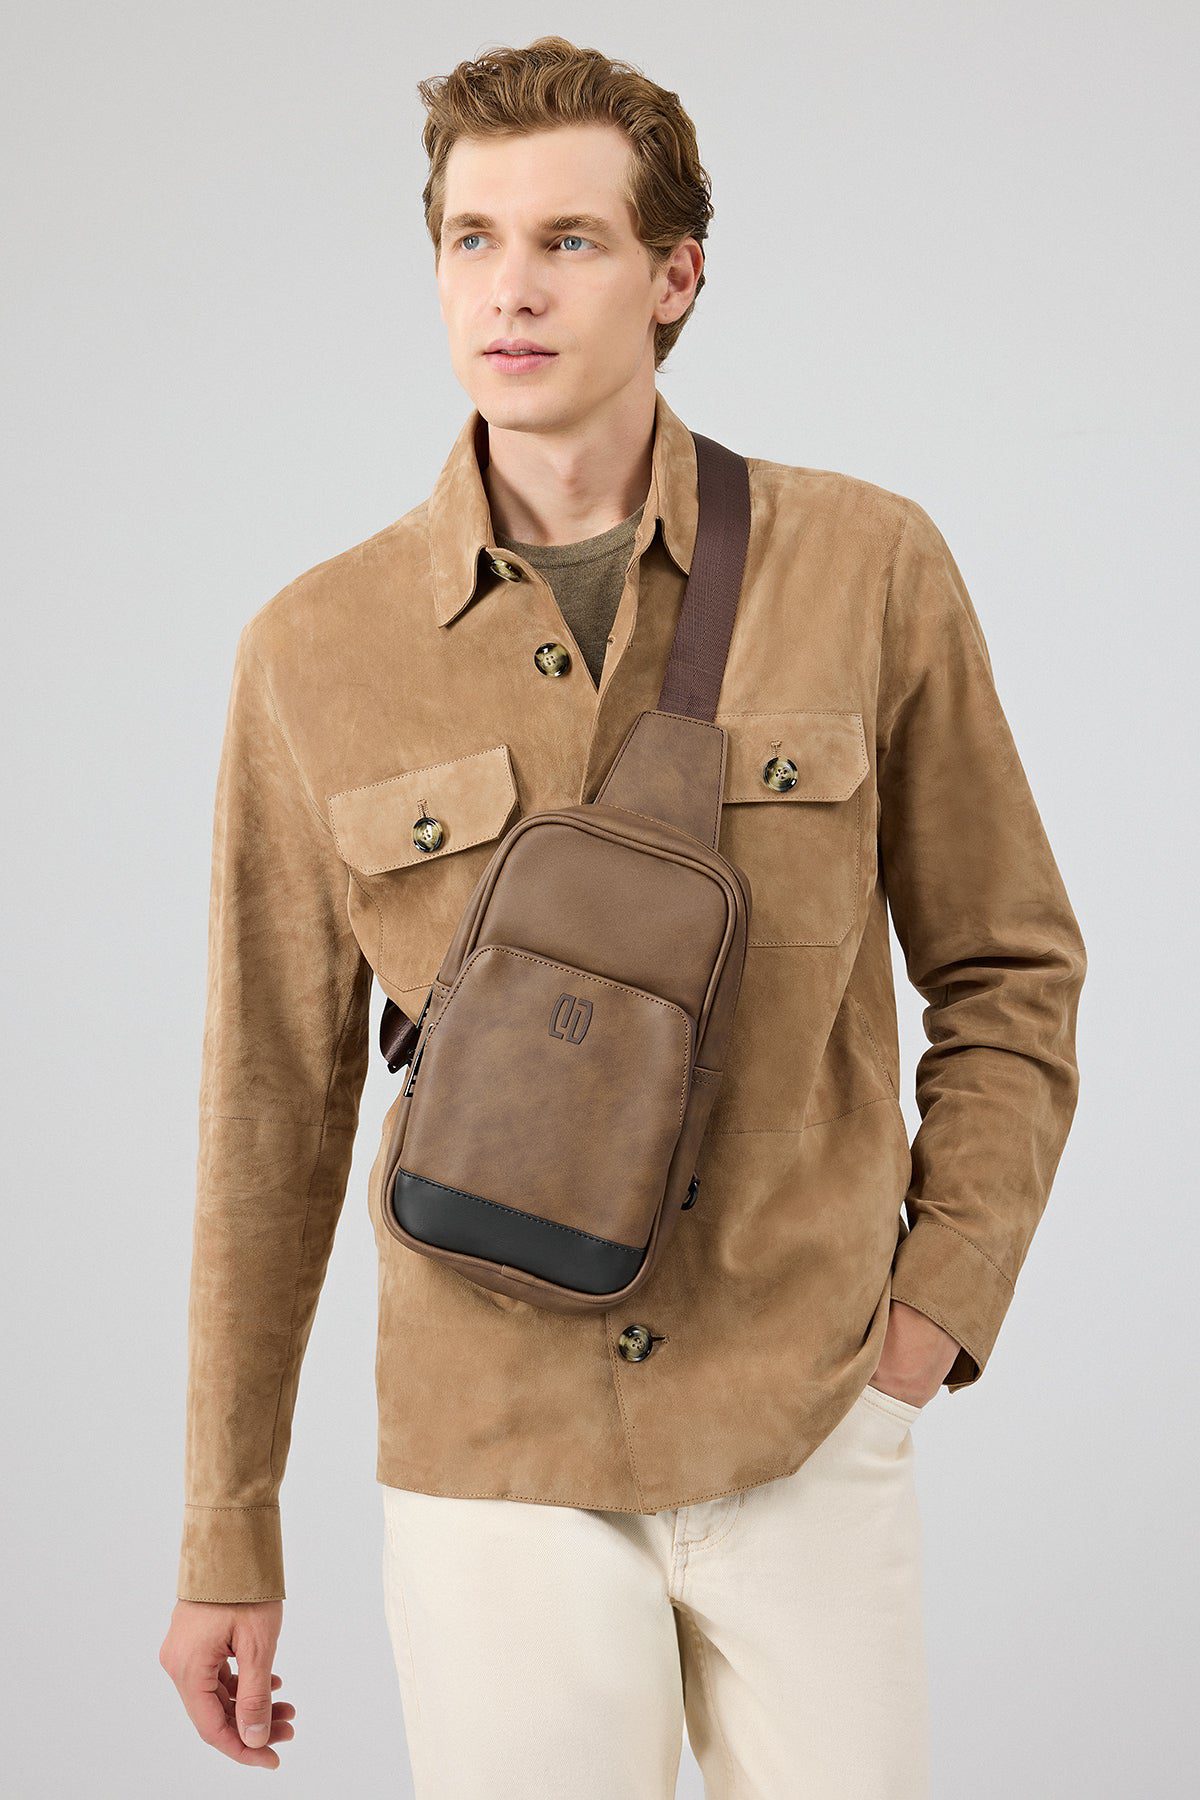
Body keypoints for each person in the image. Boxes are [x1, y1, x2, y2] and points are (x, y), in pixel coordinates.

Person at [159, 35, 1087, 1797]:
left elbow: (1011, 967)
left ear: (676, 277)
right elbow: (269, 1114)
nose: (510, 290)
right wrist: (227, 1528)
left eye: (569, 240)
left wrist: (930, 1314)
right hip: (491, 1454)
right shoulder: (313, 650)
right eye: (472, 239)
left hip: (803, 1415)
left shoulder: (866, 566)